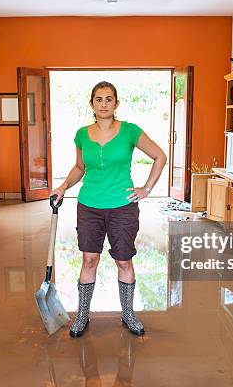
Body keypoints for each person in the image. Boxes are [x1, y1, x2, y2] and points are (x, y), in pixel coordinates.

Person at [51, 81, 167, 338]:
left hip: (122, 207)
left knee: (123, 260)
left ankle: (128, 314)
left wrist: (146, 188)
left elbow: (160, 155)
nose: (104, 103)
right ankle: (82, 315)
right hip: (89, 205)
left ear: (116, 103)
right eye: (99, 99)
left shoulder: (130, 131)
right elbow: (80, 168)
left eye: (109, 99)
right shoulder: (82, 134)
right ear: (91, 103)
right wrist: (62, 187)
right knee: (89, 259)